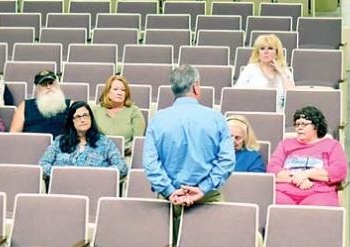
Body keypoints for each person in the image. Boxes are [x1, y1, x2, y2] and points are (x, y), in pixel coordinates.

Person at [143, 64, 236, 208]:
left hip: (168, 202)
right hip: (208, 201)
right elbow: (227, 161)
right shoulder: (216, 118)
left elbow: (151, 163)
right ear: (195, 87)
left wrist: (169, 191)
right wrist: (204, 187)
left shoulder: (157, 119)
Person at [267, 105, 348, 207]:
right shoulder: (285, 144)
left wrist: (308, 174)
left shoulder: (332, 145)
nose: (299, 127)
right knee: (270, 203)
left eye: (304, 124)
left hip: (318, 193)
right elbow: (272, 169)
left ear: (316, 126)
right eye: (297, 124)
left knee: (319, 208)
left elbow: (339, 171)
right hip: (283, 192)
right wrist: (298, 178)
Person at [39, 101, 128, 179]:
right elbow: (42, 165)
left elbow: (122, 167)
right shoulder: (59, 142)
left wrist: (98, 174)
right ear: (72, 121)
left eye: (85, 115)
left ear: (91, 118)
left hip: (94, 188)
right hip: (64, 187)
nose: (82, 120)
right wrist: (63, 175)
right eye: (78, 117)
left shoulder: (104, 142)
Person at [234, 33, 295, 112]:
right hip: (252, 111)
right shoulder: (250, 69)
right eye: (262, 49)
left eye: (270, 48)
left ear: (277, 52)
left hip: (277, 115)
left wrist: (282, 72)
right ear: (258, 53)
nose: (265, 52)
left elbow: (292, 96)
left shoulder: (284, 71)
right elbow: (236, 93)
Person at [93, 75, 146, 156]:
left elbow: (138, 141)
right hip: (98, 154)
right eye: (115, 89)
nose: (119, 93)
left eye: (123, 90)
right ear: (107, 92)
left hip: (126, 156)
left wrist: (124, 151)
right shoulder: (95, 110)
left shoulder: (134, 111)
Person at [10, 70, 73, 138]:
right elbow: (13, 135)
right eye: (44, 84)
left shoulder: (70, 105)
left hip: (63, 146)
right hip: (31, 146)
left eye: (51, 83)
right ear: (37, 88)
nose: (48, 87)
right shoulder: (25, 106)